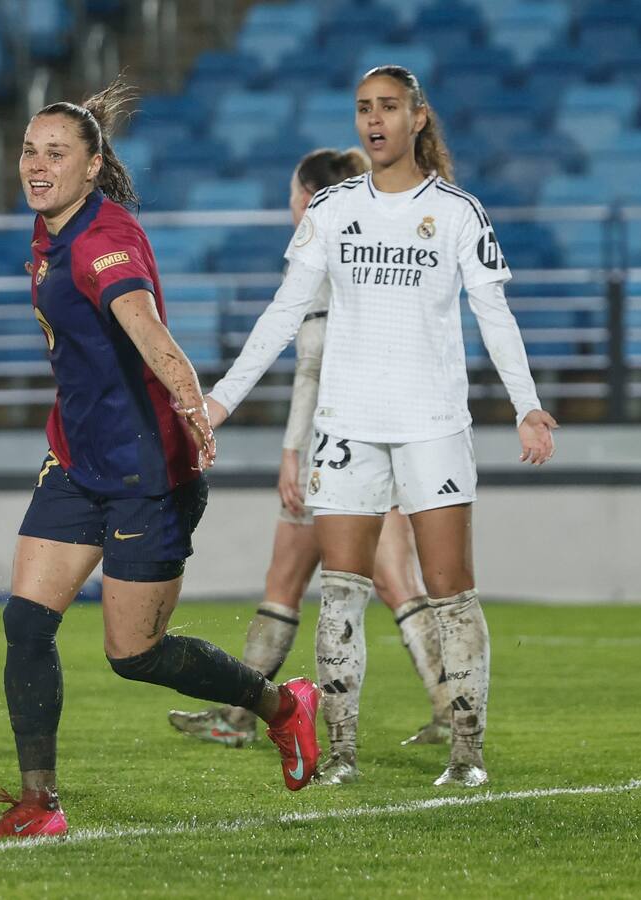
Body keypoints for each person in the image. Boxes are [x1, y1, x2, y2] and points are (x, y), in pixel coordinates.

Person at [0, 81, 321, 841]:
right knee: (26, 626)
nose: (37, 164)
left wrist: (191, 398)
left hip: (146, 475)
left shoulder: (100, 242)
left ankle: (284, 706)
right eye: (30, 150)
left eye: (56, 153)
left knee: (134, 654)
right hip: (76, 460)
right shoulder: (54, 228)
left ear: (93, 166)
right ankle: (40, 803)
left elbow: (144, 322)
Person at [203, 65, 557, 789]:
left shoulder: (457, 211)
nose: (374, 119)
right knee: (340, 591)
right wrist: (222, 399)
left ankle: (466, 751)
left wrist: (527, 403)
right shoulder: (332, 209)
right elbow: (282, 312)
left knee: (452, 588)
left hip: (432, 425)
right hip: (349, 424)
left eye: (389, 107)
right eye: (364, 108)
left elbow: (494, 313)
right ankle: (340, 754)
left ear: (418, 117)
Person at [168, 150, 453, 782]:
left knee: (311, 582)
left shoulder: (326, 251)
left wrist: (293, 451)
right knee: (365, 581)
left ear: (309, 197)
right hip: (382, 436)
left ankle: (246, 715)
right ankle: (446, 706)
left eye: (295, 194)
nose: (293, 205)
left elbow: (312, 367)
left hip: (340, 448)